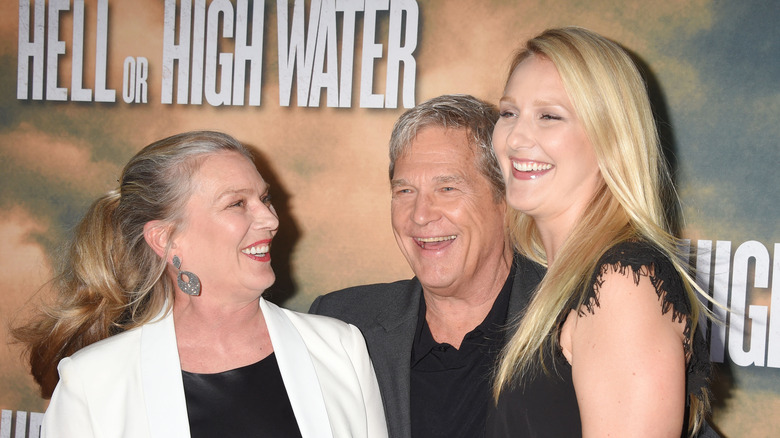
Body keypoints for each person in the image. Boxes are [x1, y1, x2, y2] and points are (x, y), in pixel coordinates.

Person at [12, 131, 388, 437]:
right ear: (166, 239)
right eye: (237, 203)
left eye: (264, 198)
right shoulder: (93, 383)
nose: (270, 219)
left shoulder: (340, 349)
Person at [488, 27, 714, 437]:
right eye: (508, 112)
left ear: (611, 138)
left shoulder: (623, 283)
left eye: (549, 116)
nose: (516, 137)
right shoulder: (569, 278)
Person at [309, 94, 545, 438]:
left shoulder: (575, 318)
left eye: (447, 188)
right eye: (404, 191)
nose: (420, 215)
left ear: (505, 200)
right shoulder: (340, 324)